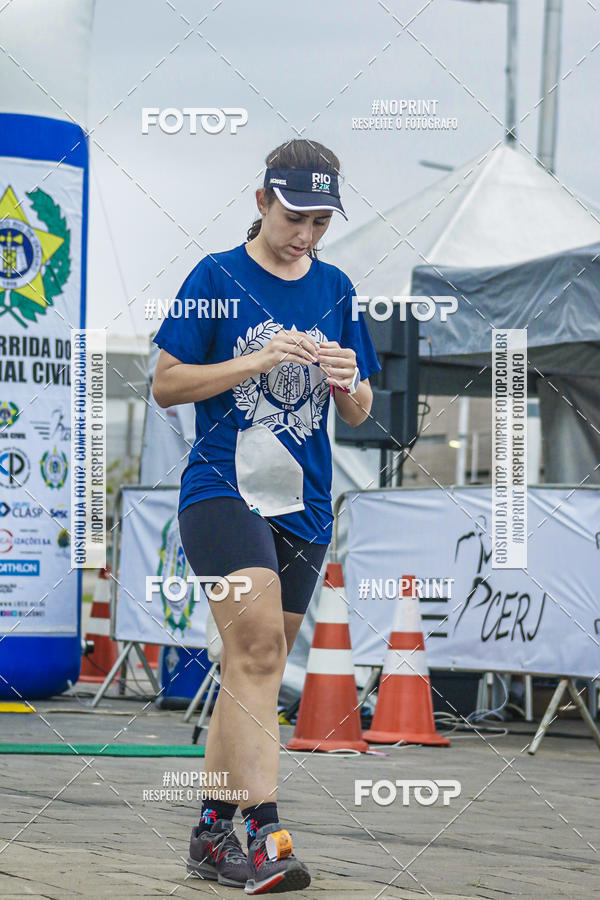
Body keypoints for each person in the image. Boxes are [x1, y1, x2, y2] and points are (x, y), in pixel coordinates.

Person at [152, 138, 381, 894]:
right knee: (254, 649)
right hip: (223, 489)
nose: (305, 236)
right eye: (293, 218)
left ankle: (211, 831)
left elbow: (360, 408)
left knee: (254, 664)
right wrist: (254, 361)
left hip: (304, 502)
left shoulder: (338, 287)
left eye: (320, 223)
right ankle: (263, 832)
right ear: (261, 202)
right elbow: (166, 384)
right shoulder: (216, 276)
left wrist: (348, 380)